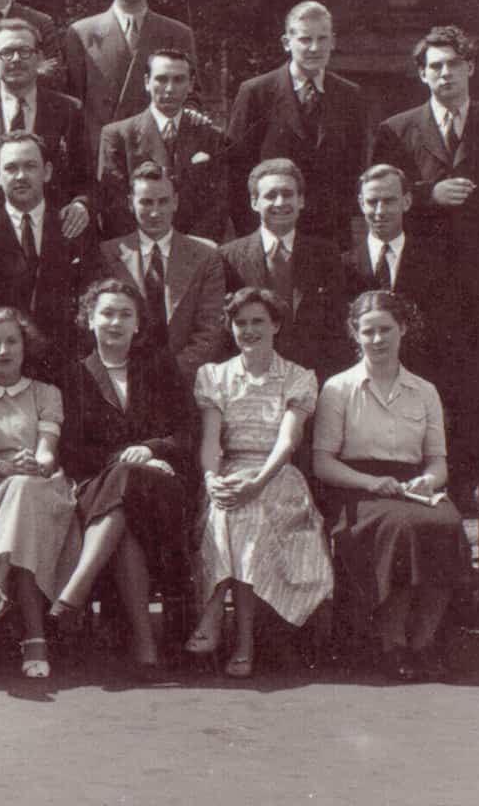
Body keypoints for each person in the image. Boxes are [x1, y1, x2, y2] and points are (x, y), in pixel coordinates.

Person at [370, 25, 479, 502]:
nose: (445, 73)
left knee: (473, 391)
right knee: (420, 386)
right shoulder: (396, 130)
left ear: (471, 69)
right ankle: (417, 492)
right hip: (418, 288)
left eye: (454, 64)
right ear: (422, 75)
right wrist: (429, 195)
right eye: (435, 66)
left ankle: (463, 495)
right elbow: (378, 199)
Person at [313, 290, 467, 680]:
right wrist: (370, 482)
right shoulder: (338, 388)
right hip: (357, 488)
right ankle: (391, 642)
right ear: (355, 333)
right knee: (403, 528)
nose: (378, 339)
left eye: (386, 329)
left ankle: (424, 642)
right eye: (368, 331)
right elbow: (323, 463)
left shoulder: (425, 390)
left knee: (447, 524)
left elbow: (438, 460)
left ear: (403, 329)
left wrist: (427, 480)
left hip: (413, 487)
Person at [50, 279, 196, 674]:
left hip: (161, 487)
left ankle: (76, 590)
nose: (115, 322)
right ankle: (145, 648)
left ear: (138, 324)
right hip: (97, 486)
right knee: (125, 520)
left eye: (125, 314)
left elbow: (186, 432)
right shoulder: (73, 375)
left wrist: (151, 451)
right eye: (107, 313)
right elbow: (71, 450)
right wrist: (126, 462)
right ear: (89, 320)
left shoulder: (160, 367)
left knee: (127, 494)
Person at [188, 287, 334, 678]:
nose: (249, 330)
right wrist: (211, 478)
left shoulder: (297, 377)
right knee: (230, 506)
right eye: (240, 323)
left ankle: (220, 616)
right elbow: (210, 440)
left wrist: (258, 481)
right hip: (229, 471)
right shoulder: (214, 376)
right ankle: (241, 641)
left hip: (277, 475)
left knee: (245, 509)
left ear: (276, 325)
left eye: (258, 321)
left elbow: (288, 441)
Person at [0, 307, 80, 682]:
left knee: (26, 493)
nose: (3, 350)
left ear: (25, 345)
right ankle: (34, 640)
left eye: (11, 341)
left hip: (44, 487)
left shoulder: (47, 393)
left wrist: (35, 464)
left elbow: (47, 451)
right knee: (21, 503)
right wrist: (5, 468)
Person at [224, 1, 370, 242]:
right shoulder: (256, 93)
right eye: (305, 39)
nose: (314, 48)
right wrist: (252, 234)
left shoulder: (349, 95)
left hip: (330, 237)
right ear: (286, 42)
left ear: (333, 41)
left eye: (322, 39)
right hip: (271, 231)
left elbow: (355, 166)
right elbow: (236, 171)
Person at [0, 16, 93, 235]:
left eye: (24, 51)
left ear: (39, 58)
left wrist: (80, 204)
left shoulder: (70, 110)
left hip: (55, 234)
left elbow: (87, 177)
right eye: (7, 52)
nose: (16, 59)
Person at [61, 0, 200, 164]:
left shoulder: (177, 34)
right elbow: (73, 105)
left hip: (157, 159)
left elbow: (192, 98)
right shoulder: (81, 34)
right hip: (101, 159)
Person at [0, 132, 97, 368]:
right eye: (11, 168)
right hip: (2, 366)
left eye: (30, 166)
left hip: (66, 365)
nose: (21, 176)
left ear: (47, 172)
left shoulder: (73, 225)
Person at [97, 163, 225, 385]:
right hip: (125, 380)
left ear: (175, 202)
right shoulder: (108, 255)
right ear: (130, 203)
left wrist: (170, 375)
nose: (155, 212)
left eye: (163, 201)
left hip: (185, 382)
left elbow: (211, 330)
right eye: (146, 202)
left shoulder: (206, 255)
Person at [217, 159, 345, 376]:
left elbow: (337, 324)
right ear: (254, 202)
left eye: (287, 194)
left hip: (312, 375)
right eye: (270, 195)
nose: (280, 202)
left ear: (301, 200)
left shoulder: (326, 254)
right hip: (251, 378)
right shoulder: (228, 257)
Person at [96, 48, 229, 240]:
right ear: (147, 82)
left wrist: (190, 248)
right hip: (137, 249)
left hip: (195, 248)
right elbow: (113, 206)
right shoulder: (118, 135)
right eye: (161, 79)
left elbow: (219, 204)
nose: (169, 88)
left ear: (191, 84)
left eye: (179, 80)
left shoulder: (211, 136)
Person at [343, 164, 459, 384]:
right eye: (372, 202)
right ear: (361, 203)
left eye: (389, 201)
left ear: (406, 202)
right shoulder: (343, 266)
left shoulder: (437, 264)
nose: (380, 211)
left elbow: (447, 338)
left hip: (422, 384)